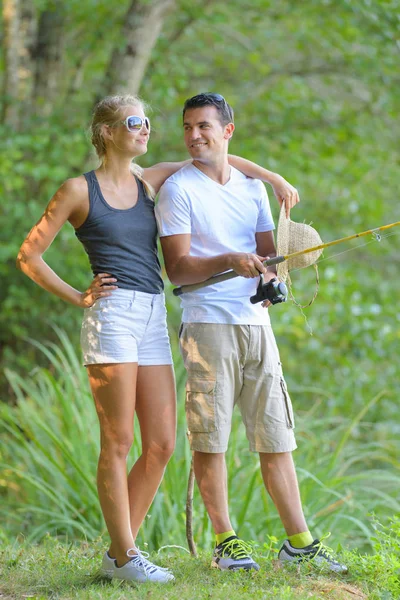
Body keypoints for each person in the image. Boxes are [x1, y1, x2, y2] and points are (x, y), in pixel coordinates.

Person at [16, 94, 301, 583]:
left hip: (151, 313)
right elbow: (29, 255)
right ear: (107, 131)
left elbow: (217, 156)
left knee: (163, 445)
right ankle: (126, 556)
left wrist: (273, 179)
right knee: (119, 440)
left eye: (148, 122)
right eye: (134, 122)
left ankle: (117, 554)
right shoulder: (78, 190)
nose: (146, 129)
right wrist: (78, 296)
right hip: (111, 316)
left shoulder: (148, 181)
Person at [156, 92, 348, 573]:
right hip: (207, 325)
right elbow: (177, 269)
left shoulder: (251, 189)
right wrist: (227, 259)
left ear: (228, 130)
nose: (195, 135)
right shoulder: (179, 189)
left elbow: (269, 255)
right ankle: (225, 541)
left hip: (256, 325)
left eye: (204, 126)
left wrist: (273, 278)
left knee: (276, 436)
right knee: (211, 437)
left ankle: (299, 542)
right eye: (187, 127)